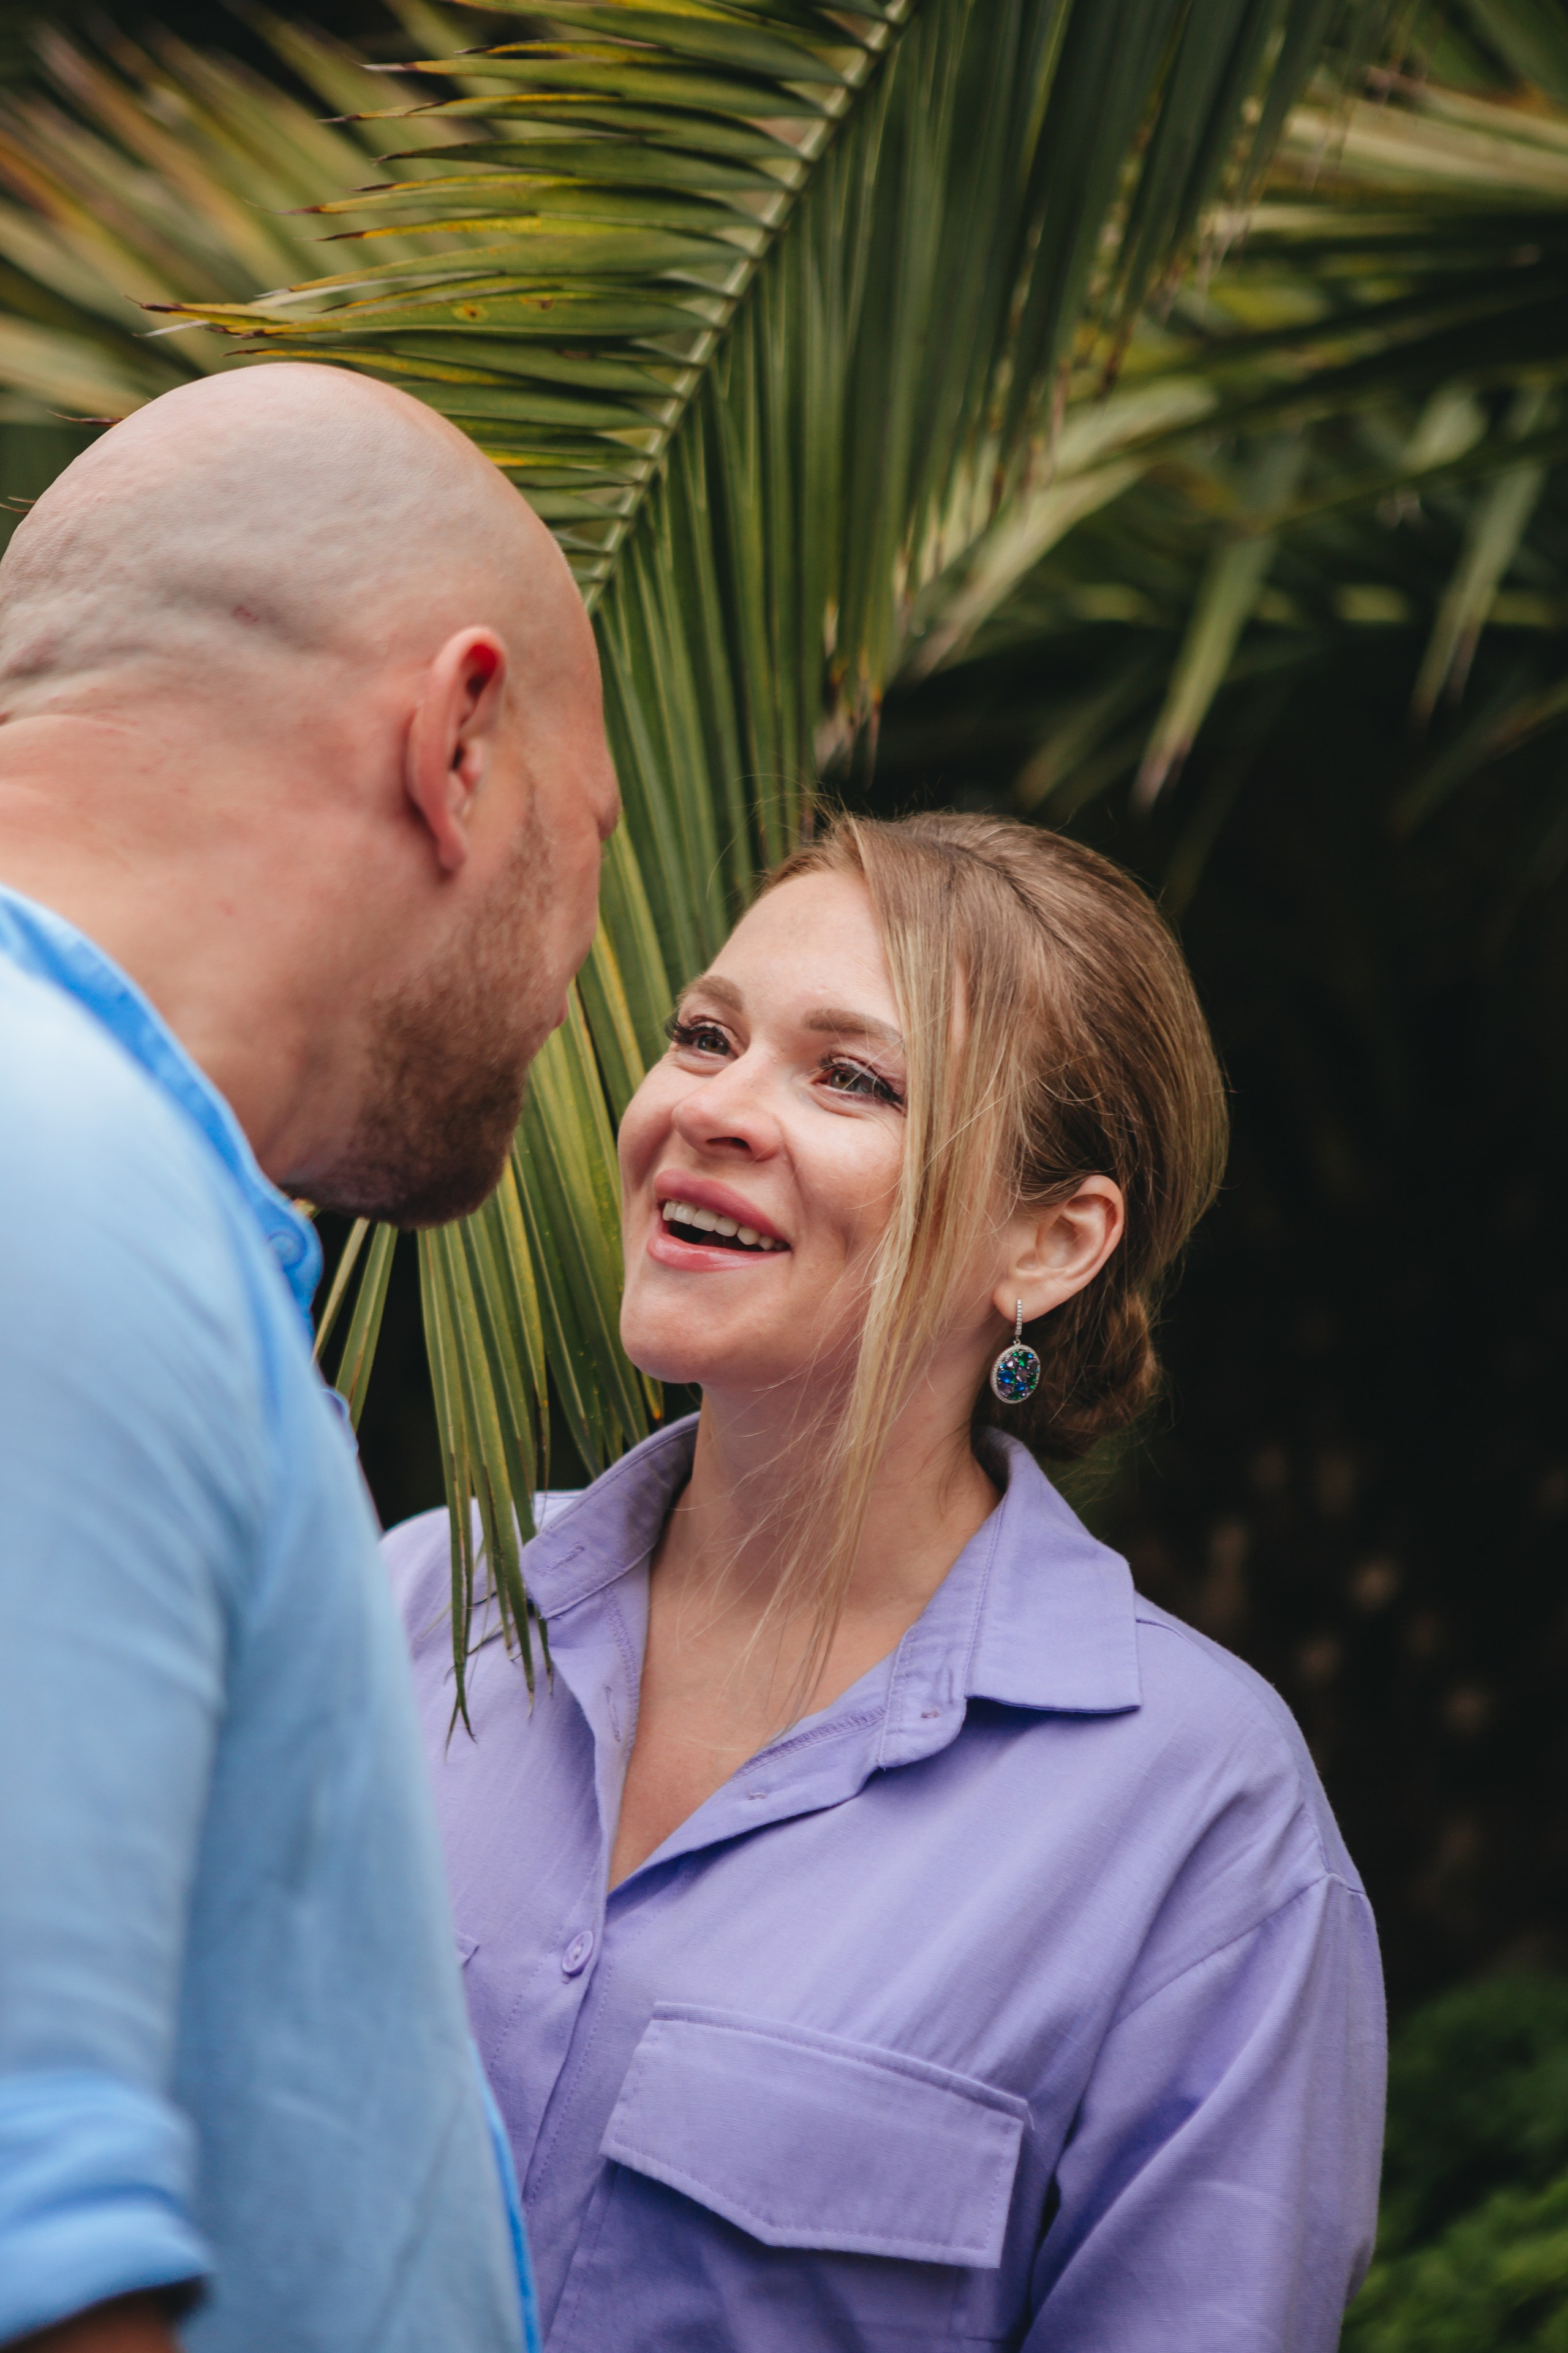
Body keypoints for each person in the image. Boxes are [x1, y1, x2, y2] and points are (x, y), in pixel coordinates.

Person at [386, 810, 1386, 2352]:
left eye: (848, 1076)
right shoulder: (405, 1605)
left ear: (1050, 1241)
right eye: (703, 1036)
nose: (712, 1107)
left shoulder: (1200, 1822)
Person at [0, 364, 619, 2351]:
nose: (588, 972)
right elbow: (38, 2228)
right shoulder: (55, 1168)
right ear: (458, 742)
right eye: (594, 844)